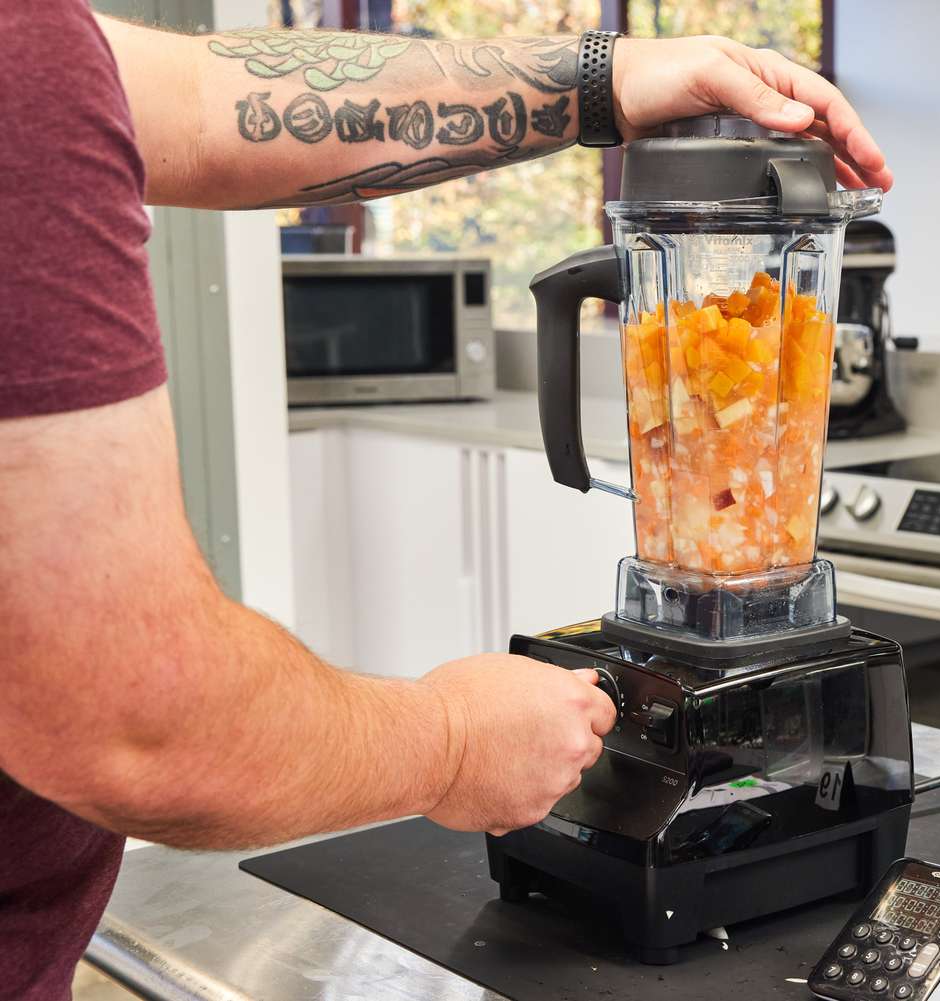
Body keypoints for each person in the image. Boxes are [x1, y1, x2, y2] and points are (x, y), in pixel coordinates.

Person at [0, 4, 892, 998]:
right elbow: (134, 716)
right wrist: (451, 742)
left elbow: (212, 100)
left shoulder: (33, 51)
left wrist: (607, 76)